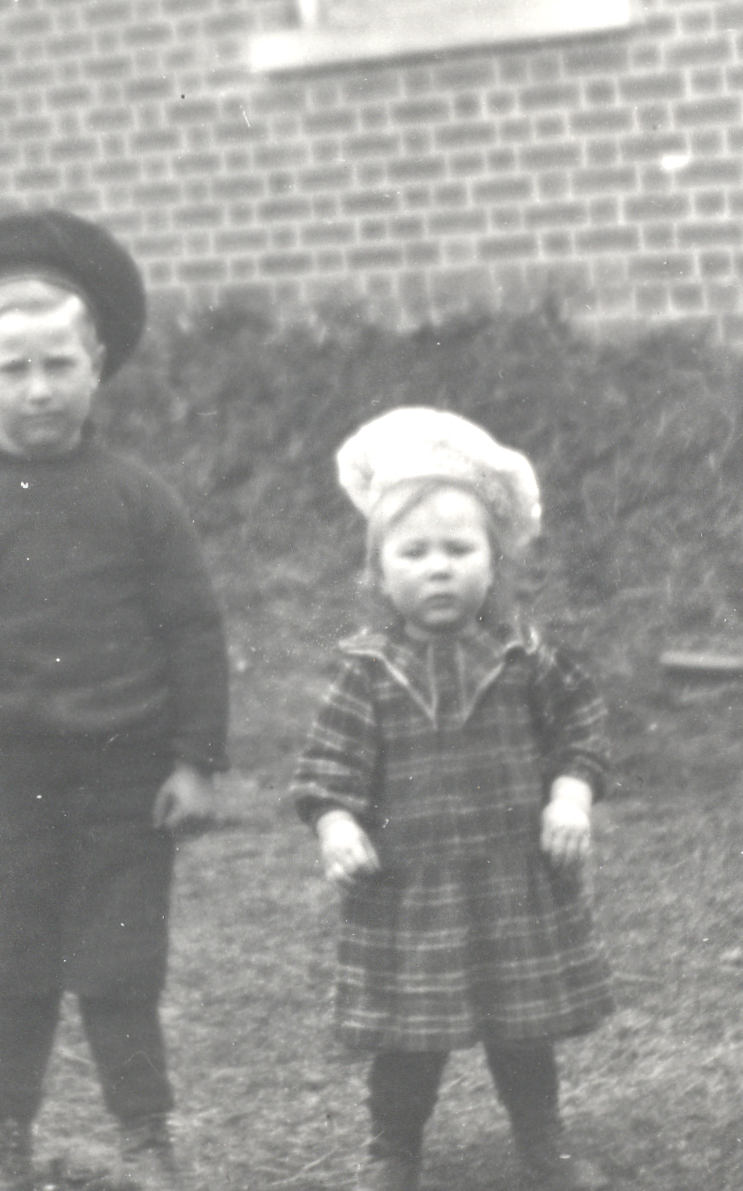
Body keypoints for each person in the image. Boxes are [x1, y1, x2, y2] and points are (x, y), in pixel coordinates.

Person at [0, 208, 228, 1191]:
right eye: (14, 369)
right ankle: (5, 1144)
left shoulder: (137, 500)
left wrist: (195, 760)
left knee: (122, 968)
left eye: (58, 365)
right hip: (3, 779)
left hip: (127, 774)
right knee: (14, 968)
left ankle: (144, 1139)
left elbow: (193, 630)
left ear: (96, 365)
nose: (38, 390)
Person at [293, 408, 613, 1191]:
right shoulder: (368, 671)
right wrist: (337, 825)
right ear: (378, 574)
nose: (438, 568)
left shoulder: (525, 658)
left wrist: (570, 796)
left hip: (510, 883)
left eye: (459, 550)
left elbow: (582, 727)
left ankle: (542, 1141)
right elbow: (325, 768)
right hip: (411, 892)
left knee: (523, 1029)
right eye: (414, 552)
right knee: (409, 1039)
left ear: (494, 564)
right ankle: (393, 1151)